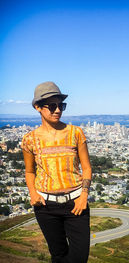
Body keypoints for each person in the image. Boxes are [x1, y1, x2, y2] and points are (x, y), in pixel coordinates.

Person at [22, 81, 92, 263]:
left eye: (61, 106)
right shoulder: (29, 139)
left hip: (76, 203)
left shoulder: (76, 133)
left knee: (79, 257)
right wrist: (32, 193)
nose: (58, 110)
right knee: (58, 256)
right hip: (46, 206)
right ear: (38, 107)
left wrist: (84, 195)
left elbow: (86, 167)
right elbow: (29, 171)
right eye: (52, 106)